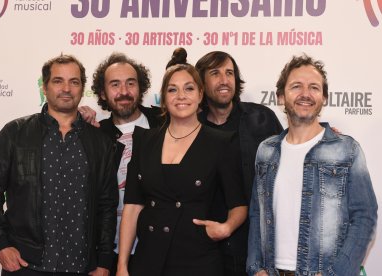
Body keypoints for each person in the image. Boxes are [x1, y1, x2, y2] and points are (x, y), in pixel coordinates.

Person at [0, 54, 119, 276]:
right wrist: (0, 243)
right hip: (26, 265)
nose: (66, 88)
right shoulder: (15, 133)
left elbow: (107, 206)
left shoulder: (100, 142)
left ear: (82, 89)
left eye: (74, 82)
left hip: (82, 268)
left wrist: (103, 261)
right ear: (45, 87)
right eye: (58, 81)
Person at [116, 49, 247, 276]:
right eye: (172, 90)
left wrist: (226, 228)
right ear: (164, 98)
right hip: (148, 260)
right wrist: (122, 265)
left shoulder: (221, 143)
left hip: (198, 260)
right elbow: (133, 206)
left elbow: (239, 205)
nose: (181, 96)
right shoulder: (145, 141)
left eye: (188, 88)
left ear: (200, 95)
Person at [247, 54, 378, 276]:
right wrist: (256, 267)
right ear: (280, 97)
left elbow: (365, 217)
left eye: (314, 88)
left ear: (324, 98)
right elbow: (256, 213)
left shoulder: (347, 150)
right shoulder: (266, 151)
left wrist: (336, 273)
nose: (305, 94)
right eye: (296, 86)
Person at [195, 51, 283, 275]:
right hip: (207, 246)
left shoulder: (262, 118)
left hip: (256, 246)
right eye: (215, 73)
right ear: (201, 83)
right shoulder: (191, 127)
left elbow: (293, 150)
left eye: (229, 73)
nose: (224, 80)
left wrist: (321, 136)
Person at [82, 53, 163, 275]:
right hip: (109, 252)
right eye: (115, 84)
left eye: (131, 83)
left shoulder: (164, 123)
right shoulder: (95, 135)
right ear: (102, 93)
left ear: (141, 87)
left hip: (158, 249)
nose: (124, 92)